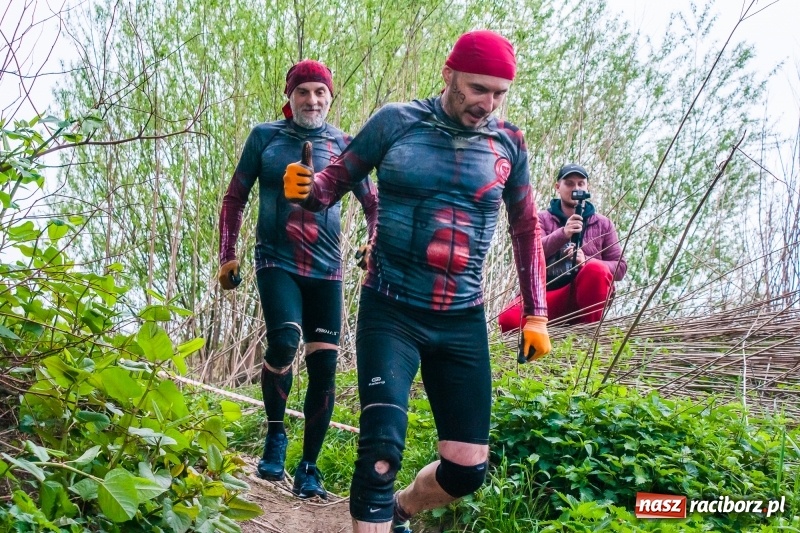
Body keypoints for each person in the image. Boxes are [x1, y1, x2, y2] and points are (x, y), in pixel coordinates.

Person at [283, 31, 551, 533]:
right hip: (392, 308)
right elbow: (332, 183)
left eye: (498, 93)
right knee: (381, 450)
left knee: (468, 470)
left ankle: (401, 510)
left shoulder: (508, 143)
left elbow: (526, 228)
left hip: (461, 317)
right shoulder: (395, 123)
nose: (487, 104)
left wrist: (535, 312)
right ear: (449, 75)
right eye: (477, 89)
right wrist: (305, 189)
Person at [217, 59, 377, 500]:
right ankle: (274, 436)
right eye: (303, 92)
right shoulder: (264, 138)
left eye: (320, 93)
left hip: (327, 270)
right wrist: (227, 255)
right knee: (285, 340)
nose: (312, 100)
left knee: (325, 367)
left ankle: (309, 468)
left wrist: (373, 241)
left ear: (330, 98)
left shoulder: (345, 145)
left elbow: (373, 202)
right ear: (290, 96)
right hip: (276, 261)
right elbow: (235, 197)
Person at [498, 163, 626, 330]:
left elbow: (620, 267)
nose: (576, 188)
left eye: (581, 183)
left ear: (587, 187)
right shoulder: (541, 218)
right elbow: (531, 253)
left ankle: (589, 335)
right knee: (508, 320)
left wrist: (586, 261)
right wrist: (562, 234)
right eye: (569, 183)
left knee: (596, 269)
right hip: (547, 296)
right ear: (558, 187)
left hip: (585, 296)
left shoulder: (603, 224)